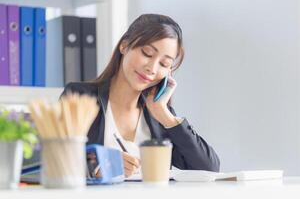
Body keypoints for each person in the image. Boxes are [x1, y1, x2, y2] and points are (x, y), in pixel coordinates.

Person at [61, 14, 220, 177]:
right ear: (124, 46)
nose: (152, 68)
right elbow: (51, 159)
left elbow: (209, 168)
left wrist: (165, 116)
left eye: (164, 64)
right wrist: (94, 165)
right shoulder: (78, 97)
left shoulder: (159, 116)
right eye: (147, 53)